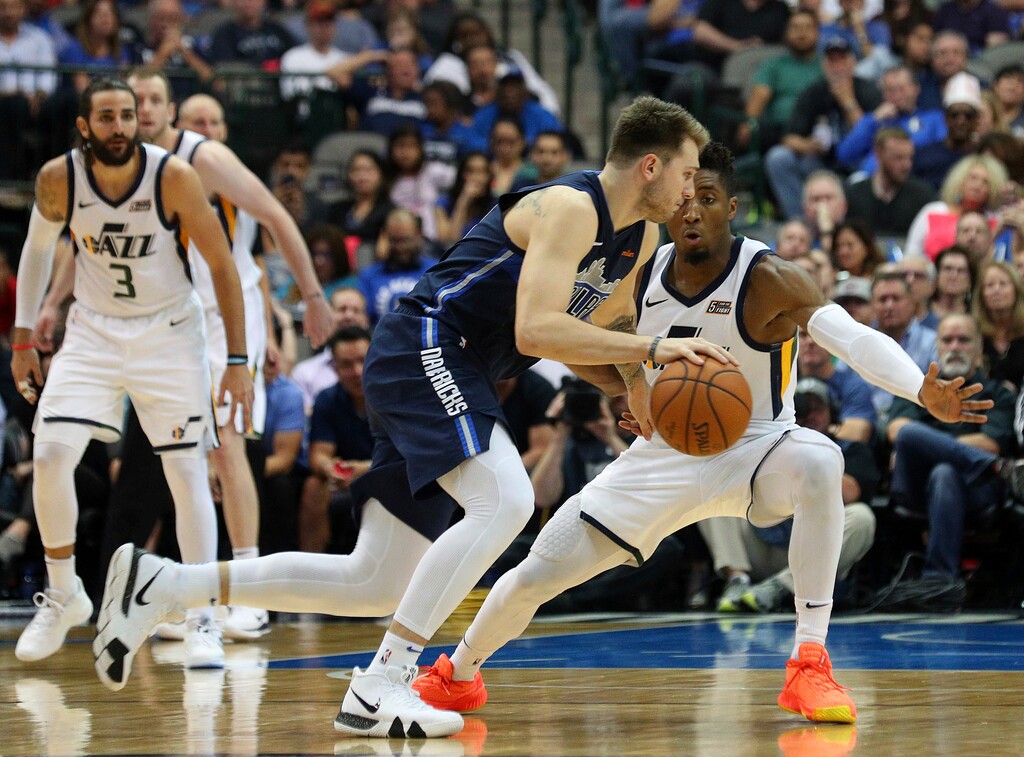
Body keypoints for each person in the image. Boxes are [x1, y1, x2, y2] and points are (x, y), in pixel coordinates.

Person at [92, 96, 727, 741]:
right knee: (504, 500)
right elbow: (537, 331)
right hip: (427, 343)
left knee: (375, 581)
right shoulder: (569, 208)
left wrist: (632, 384)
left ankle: (167, 584)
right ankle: (381, 683)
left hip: (454, 366)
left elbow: (590, 330)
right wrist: (651, 351)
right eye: (686, 173)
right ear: (650, 166)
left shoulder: (640, 237)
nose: (690, 191)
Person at [405, 142, 990, 726]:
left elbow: (851, 337)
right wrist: (631, 386)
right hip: (663, 454)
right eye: (684, 198)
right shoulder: (641, 274)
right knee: (538, 571)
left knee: (820, 460)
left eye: (707, 199)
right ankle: (458, 673)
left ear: (730, 208)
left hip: (758, 446)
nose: (692, 211)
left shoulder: (768, 277)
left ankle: (809, 662)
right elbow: (574, 339)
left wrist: (920, 390)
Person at [11, 77, 254, 665]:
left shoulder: (173, 176)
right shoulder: (59, 178)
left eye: (127, 115)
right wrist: (22, 337)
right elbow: (37, 250)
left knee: (186, 472)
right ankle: (64, 592)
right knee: (51, 454)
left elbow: (222, 265)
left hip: (168, 334)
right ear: (84, 126)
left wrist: (237, 360)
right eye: (107, 117)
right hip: (93, 331)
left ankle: (202, 616)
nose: (120, 126)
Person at [701, 376, 879, 614]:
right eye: (802, 407)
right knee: (713, 494)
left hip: (810, 554)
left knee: (862, 517)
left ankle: (780, 587)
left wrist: (805, 461)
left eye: (818, 408)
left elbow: (850, 491)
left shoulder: (851, 450)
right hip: (761, 545)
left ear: (832, 413)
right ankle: (737, 580)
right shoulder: (769, 445)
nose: (810, 415)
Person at [885, 313, 1018, 610]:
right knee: (909, 433)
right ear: (937, 346)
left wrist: (929, 444)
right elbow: (897, 430)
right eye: (947, 340)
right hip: (915, 484)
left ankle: (939, 580)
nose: (955, 347)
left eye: (963, 340)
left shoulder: (997, 393)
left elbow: (991, 443)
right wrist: (956, 448)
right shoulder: (918, 387)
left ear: (979, 346)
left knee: (944, 472)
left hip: (976, 489)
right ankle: (998, 468)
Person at [844, 126, 936, 237]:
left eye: (910, 158)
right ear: (878, 154)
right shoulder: (855, 195)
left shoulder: (922, 196)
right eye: (899, 158)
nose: (907, 165)